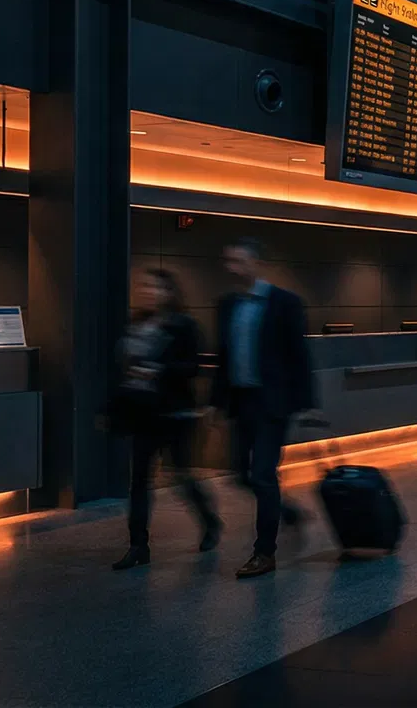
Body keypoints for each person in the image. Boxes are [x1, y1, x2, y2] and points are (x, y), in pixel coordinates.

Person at [212, 237, 319, 579]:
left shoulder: (284, 303)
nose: (232, 268)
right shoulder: (228, 304)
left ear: (255, 264)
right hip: (241, 401)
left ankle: (264, 552)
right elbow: (224, 357)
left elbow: (299, 355)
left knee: (261, 473)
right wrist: (216, 403)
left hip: (272, 403)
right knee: (240, 474)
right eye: (229, 261)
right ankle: (285, 510)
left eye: (239, 261)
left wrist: (306, 403)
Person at [109, 268, 220, 570]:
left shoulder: (183, 326)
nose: (147, 292)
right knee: (140, 482)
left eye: (154, 287)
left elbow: (193, 367)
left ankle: (210, 520)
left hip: (175, 414)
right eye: (143, 286)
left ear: (168, 292)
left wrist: (160, 370)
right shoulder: (136, 325)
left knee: (181, 475)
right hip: (143, 414)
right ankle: (137, 545)